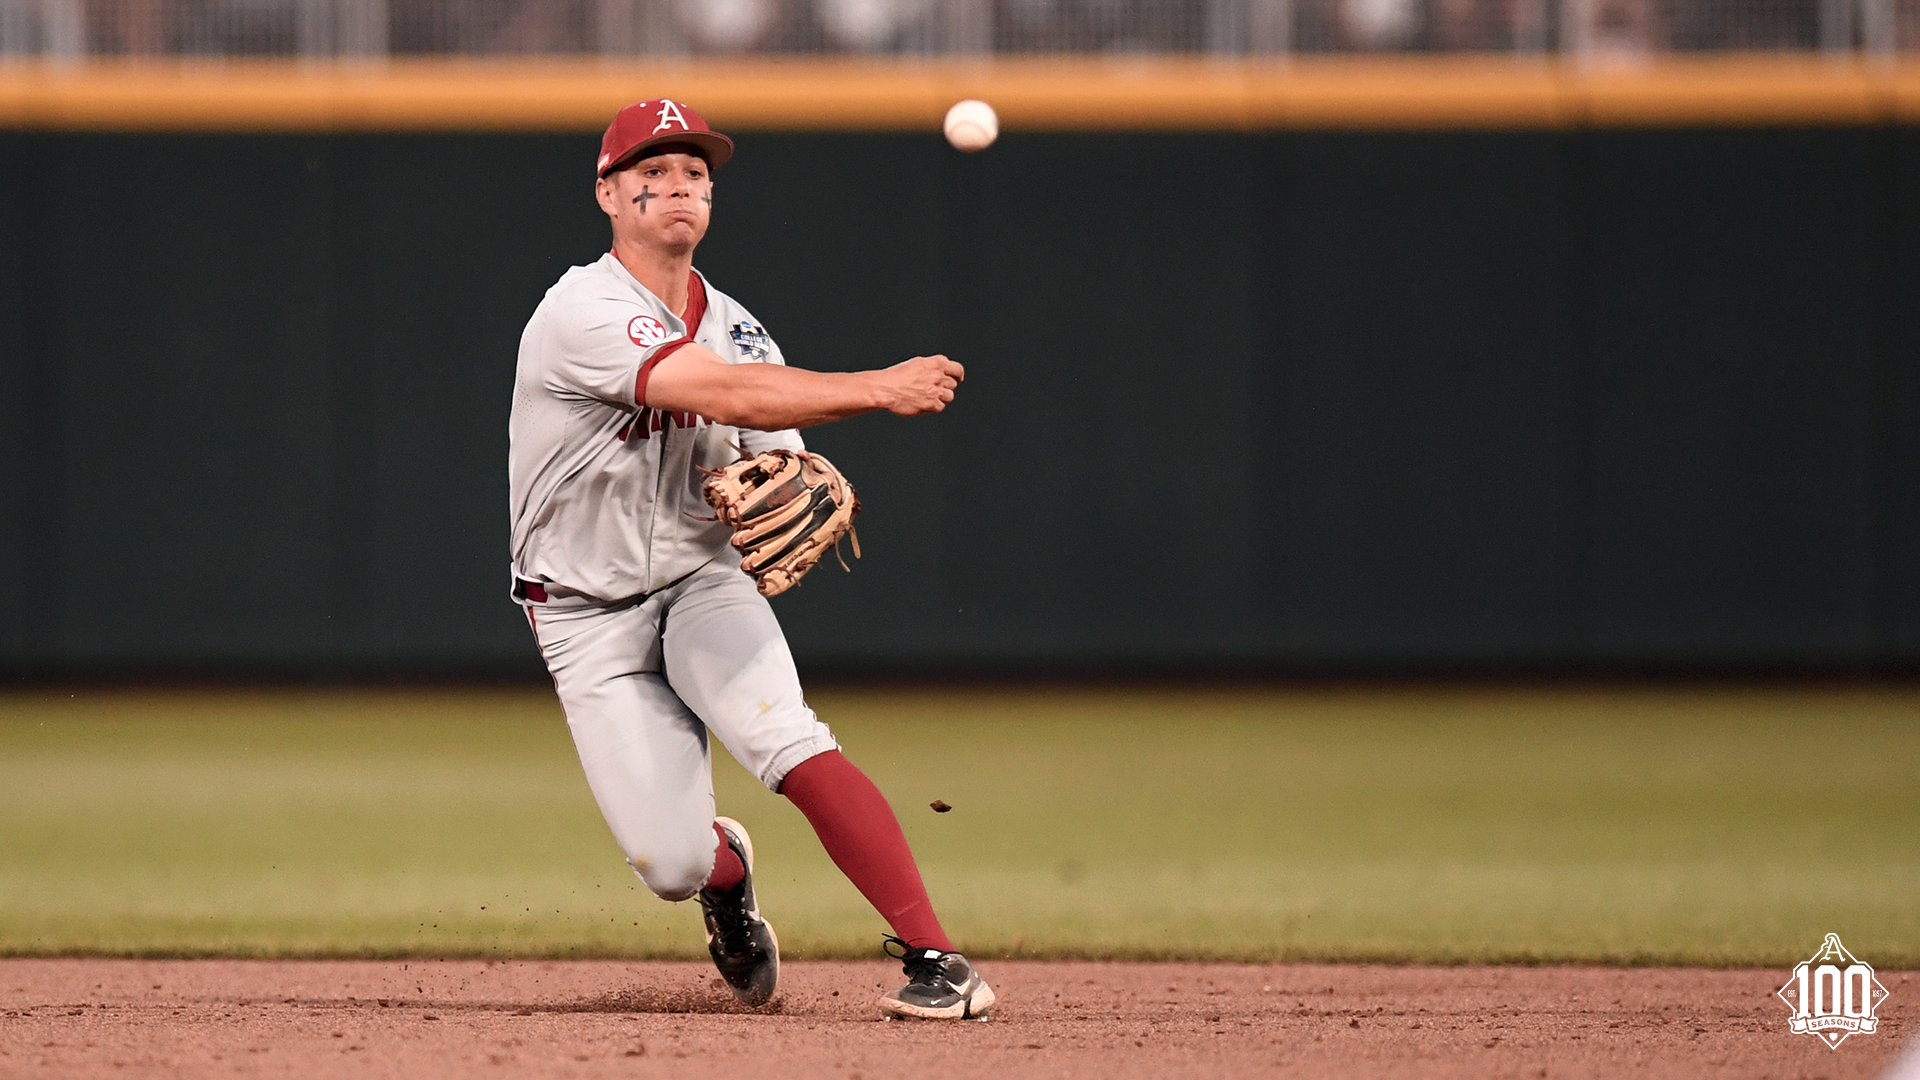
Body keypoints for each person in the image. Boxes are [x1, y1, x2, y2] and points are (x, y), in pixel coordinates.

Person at [507, 97, 991, 1021]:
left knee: (786, 736)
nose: (677, 187)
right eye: (651, 173)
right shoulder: (583, 309)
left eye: (695, 173)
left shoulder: (735, 322)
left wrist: (791, 469)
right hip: (580, 610)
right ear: (608, 194)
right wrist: (877, 388)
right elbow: (724, 390)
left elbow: (767, 434)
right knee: (671, 865)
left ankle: (939, 959)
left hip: (698, 581)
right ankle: (726, 875)